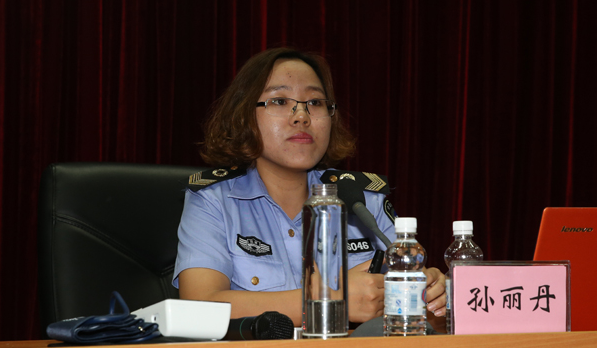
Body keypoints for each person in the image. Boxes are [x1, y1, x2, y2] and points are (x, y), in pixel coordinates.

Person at [173, 47, 446, 327]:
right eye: (280, 101)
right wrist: (329, 299)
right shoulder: (213, 200)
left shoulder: (361, 201)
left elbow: (410, 295)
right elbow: (198, 307)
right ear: (244, 117)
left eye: (315, 102)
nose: (301, 116)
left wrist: (432, 291)